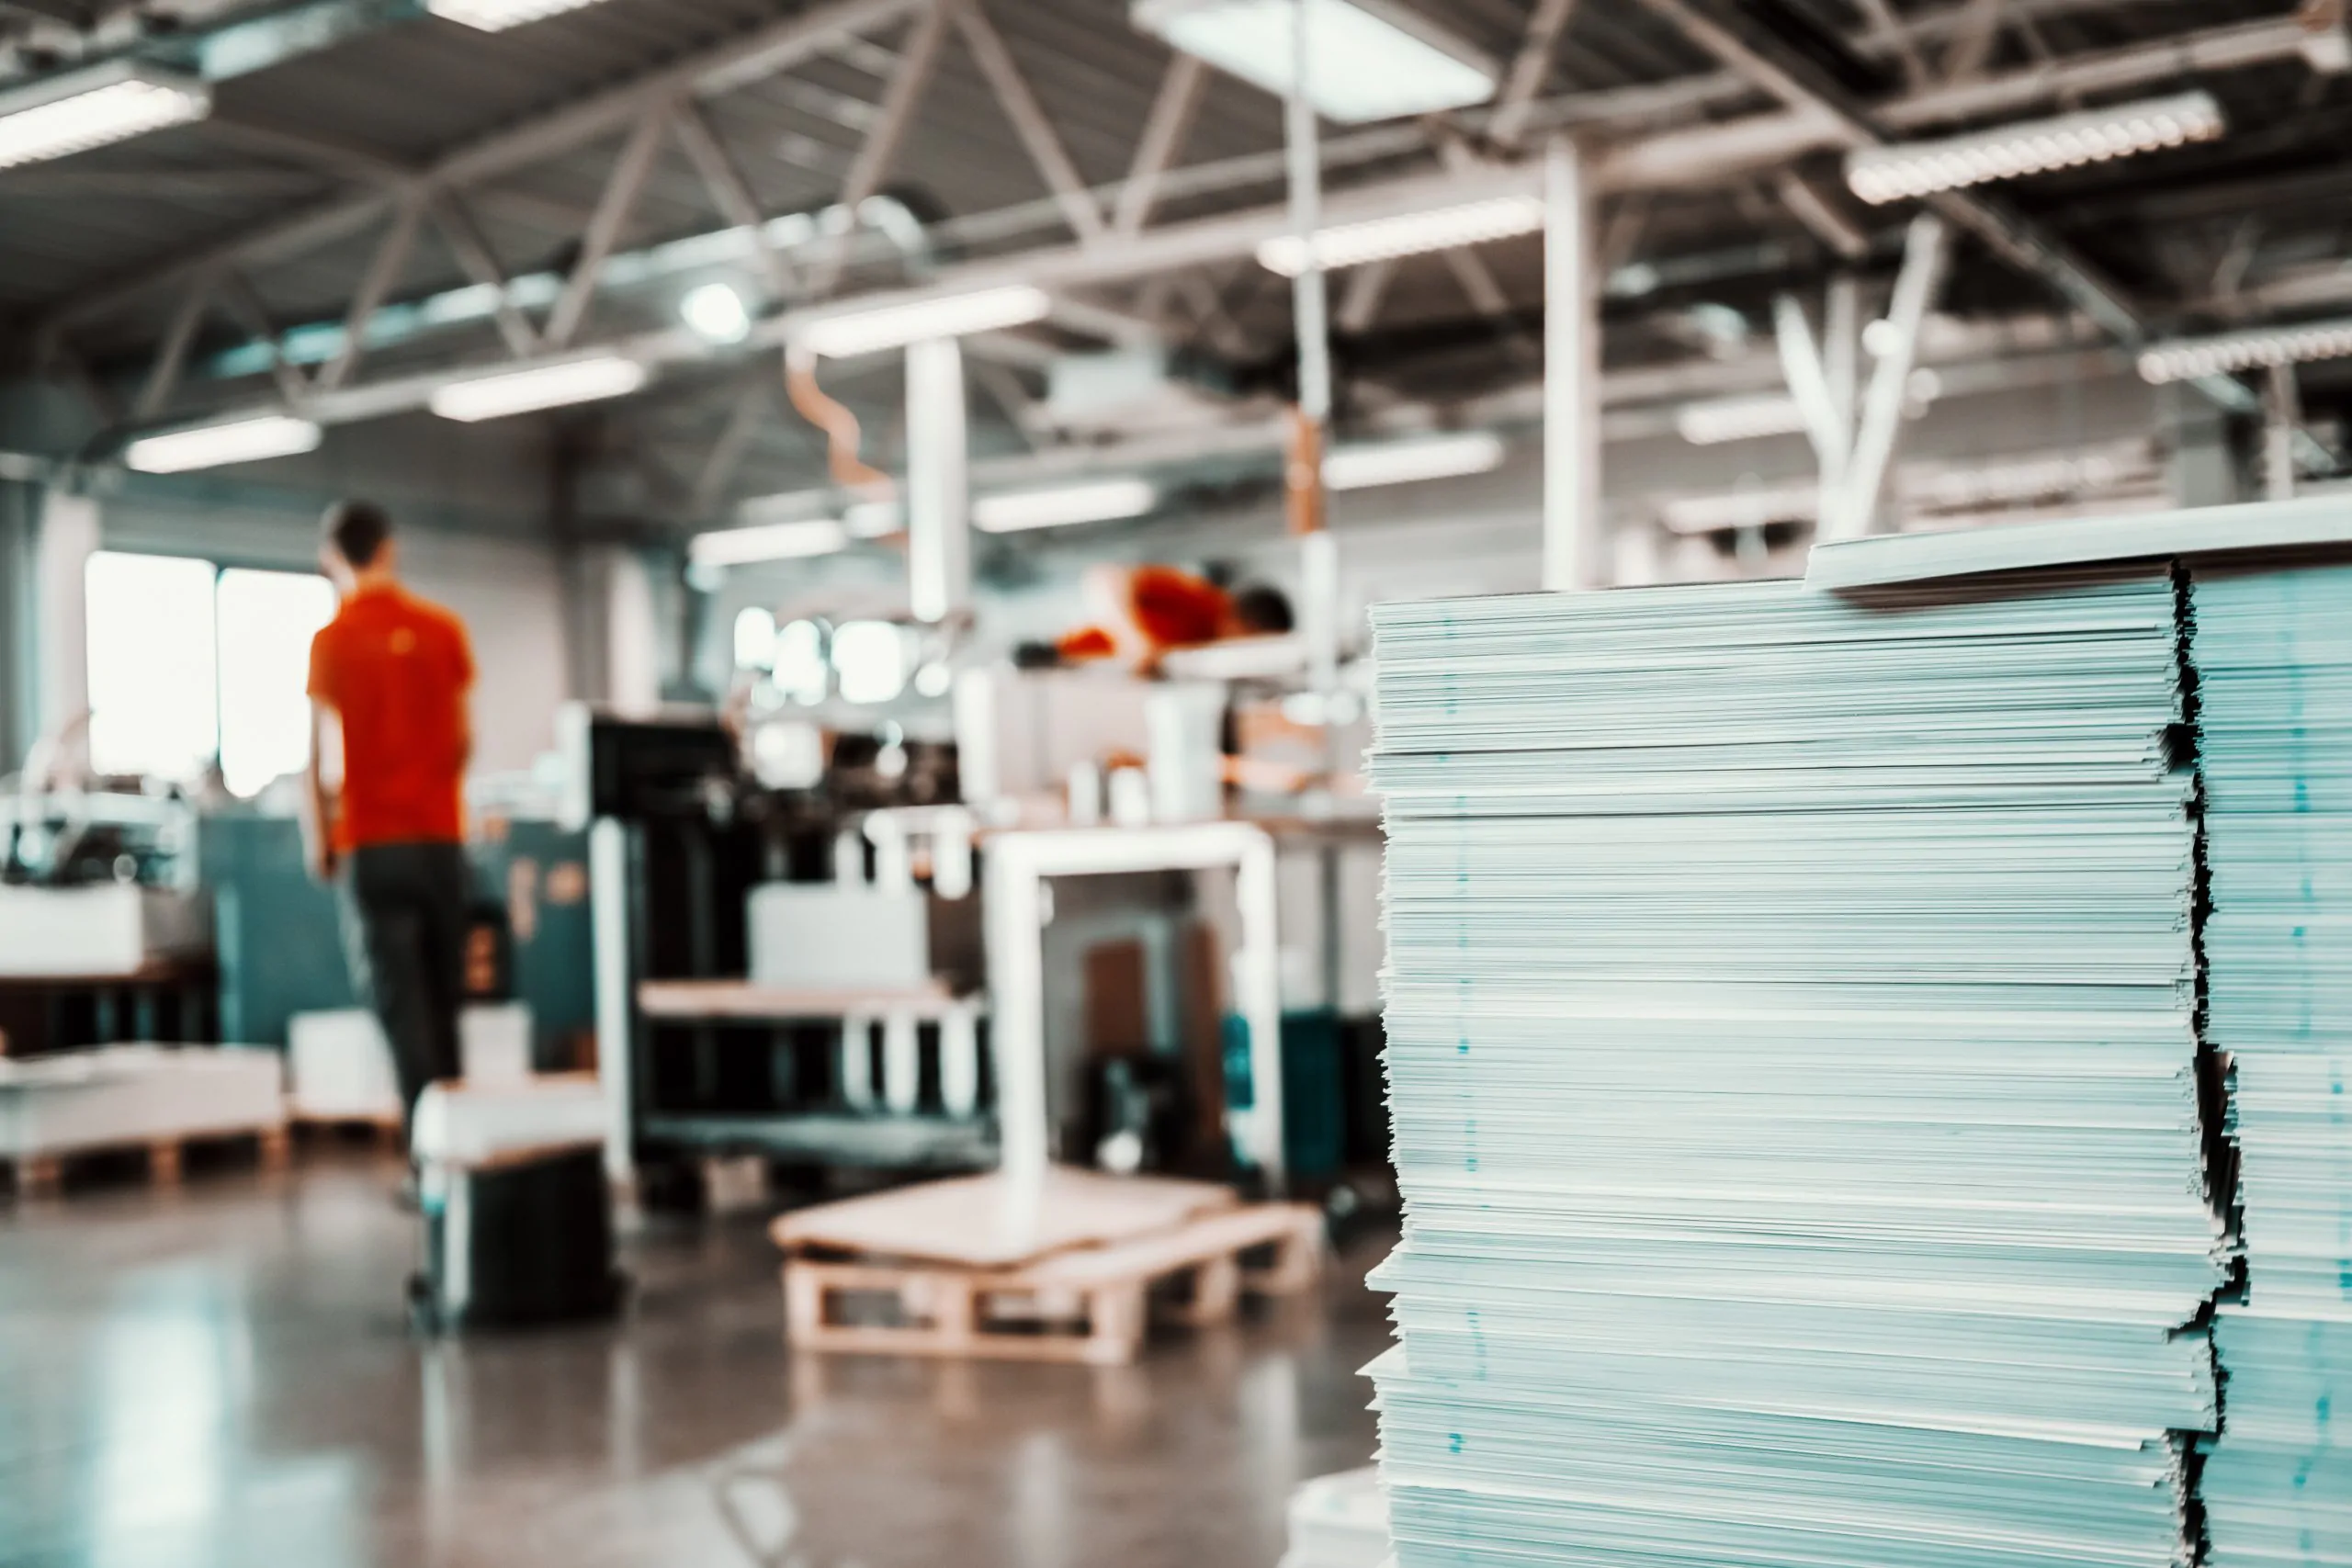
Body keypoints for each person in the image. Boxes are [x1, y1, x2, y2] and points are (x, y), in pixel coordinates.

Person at [303, 501, 477, 1140]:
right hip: (439, 837)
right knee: (445, 996)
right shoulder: (442, 629)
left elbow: (320, 758)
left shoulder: (332, 640)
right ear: (389, 548)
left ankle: (428, 1152)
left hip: (372, 843)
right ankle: (461, 1143)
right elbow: (464, 738)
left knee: (402, 1003)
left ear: (332, 559)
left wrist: (318, 835)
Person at [1017, 563, 1294, 674]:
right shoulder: (1201, 600)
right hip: (1068, 665)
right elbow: (1105, 579)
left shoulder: (1208, 645)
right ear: (1248, 625)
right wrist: (1134, 641)